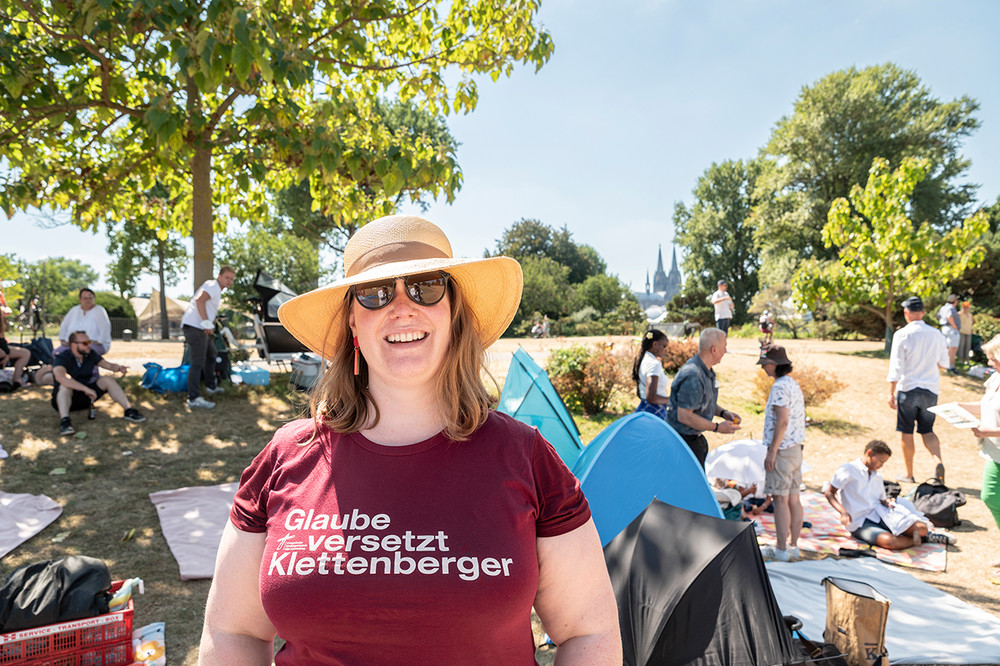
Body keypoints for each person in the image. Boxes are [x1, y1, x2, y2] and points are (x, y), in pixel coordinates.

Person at [198, 215, 621, 664]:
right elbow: (233, 631)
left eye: (426, 286)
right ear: (352, 325)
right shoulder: (287, 455)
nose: (402, 307)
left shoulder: (527, 456)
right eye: (375, 294)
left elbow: (588, 631)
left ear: (454, 312)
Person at [824, 440, 955, 550]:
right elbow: (829, 492)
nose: (881, 465)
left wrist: (888, 502)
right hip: (859, 521)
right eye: (880, 461)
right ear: (869, 453)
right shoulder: (848, 469)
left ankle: (921, 536)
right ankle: (917, 540)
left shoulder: (876, 475)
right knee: (889, 541)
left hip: (878, 513)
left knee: (921, 528)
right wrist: (843, 512)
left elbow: (880, 498)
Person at [887, 296, 950, 483]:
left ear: (906, 313)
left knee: (906, 432)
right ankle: (937, 461)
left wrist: (890, 391)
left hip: (908, 388)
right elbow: (945, 363)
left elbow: (896, 367)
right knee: (928, 431)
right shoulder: (936, 334)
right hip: (930, 390)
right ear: (923, 313)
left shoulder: (902, 335)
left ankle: (909, 473)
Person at [956, 334, 1000, 583]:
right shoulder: (995, 379)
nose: (989, 362)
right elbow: (986, 407)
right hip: (995, 452)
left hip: (995, 444)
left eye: (993, 358)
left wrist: (987, 432)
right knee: (990, 496)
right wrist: (958, 406)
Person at [756, 345, 806, 562]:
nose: (763, 368)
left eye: (765, 364)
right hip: (796, 449)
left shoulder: (779, 388)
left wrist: (772, 451)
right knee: (794, 499)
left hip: (783, 450)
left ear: (774, 364)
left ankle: (781, 549)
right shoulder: (792, 384)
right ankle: (793, 546)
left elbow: (782, 421)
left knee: (781, 500)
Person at [666, 327, 741, 468]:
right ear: (714, 350)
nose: (725, 351)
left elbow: (702, 402)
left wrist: (723, 413)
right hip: (682, 443)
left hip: (693, 441)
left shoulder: (706, 372)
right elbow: (685, 416)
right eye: (724, 347)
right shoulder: (693, 376)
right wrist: (717, 427)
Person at [51, 331, 145, 435]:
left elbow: (107, 365)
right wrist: (85, 389)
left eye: (90, 342)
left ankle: (129, 410)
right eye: (85, 343)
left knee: (108, 380)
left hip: (87, 397)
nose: (89, 345)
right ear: (73, 345)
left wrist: (118, 368)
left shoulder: (90, 354)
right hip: (65, 399)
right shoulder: (62, 358)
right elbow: (61, 377)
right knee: (65, 386)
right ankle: (65, 422)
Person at [181, 266, 235, 410]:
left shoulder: (216, 289)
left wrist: (209, 321)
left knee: (212, 354)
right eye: (227, 277)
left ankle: (211, 386)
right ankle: (193, 398)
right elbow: (200, 301)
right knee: (197, 362)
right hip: (195, 327)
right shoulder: (213, 285)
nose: (229, 281)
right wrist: (206, 322)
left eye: (231, 279)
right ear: (219, 276)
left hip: (199, 328)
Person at [58, 288, 112, 356]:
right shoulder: (74, 310)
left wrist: (100, 341)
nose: (88, 300)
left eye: (90, 298)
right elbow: (64, 325)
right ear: (80, 299)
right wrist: (62, 339)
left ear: (94, 299)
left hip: (93, 344)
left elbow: (105, 327)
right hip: (73, 344)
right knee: (56, 353)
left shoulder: (99, 310)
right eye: (85, 298)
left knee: (81, 352)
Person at [633, 329, 669, 420]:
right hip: (654, 412)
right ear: (655, 344)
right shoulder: (654, 363)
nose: (665, 350)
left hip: (645, 408)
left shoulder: (644, 359)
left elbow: (640, 392)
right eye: (664, 346)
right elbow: (651, 397)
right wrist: (672, 400)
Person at [0, 313, 30, 388]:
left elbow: (2, 340)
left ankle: (17, 379)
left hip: (4, 349)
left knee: (25, 353)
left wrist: (7, 355)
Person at [937, 293, 961, 373]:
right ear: (955, 301)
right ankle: (950, 366)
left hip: (944, 328)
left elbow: (938, 316)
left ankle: (945, 364)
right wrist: (955, 326)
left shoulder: (943, 307)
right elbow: (949, 317)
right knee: (953, 349)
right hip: (952, 330)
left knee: (946, 348)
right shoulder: (951, 308)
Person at [958, 301, 974, 366]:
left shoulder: (970, 315)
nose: (966, 308)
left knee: (968, 346)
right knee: (961, 346)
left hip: (968, 332)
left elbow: (972, 322)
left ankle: (967, 360)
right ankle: (960, 359)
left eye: (967, 307)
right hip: (961, 332)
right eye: (965, 307)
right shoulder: (959, 314)